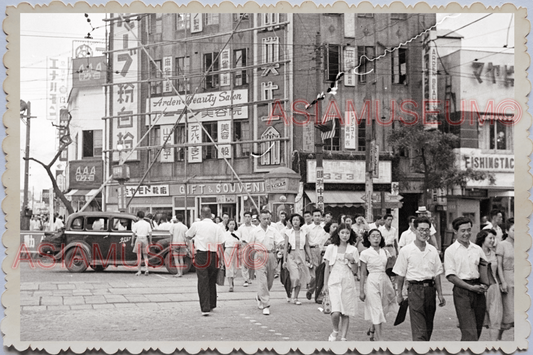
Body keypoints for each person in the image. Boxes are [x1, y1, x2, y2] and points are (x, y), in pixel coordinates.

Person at [393, 217, 446, 341]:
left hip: (430, 291)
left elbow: (437, 274)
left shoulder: (432, 251)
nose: (424, 233)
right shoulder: (406, 250)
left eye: (427, 230)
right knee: (419, 330)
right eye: (421, 230)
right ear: (414, 230)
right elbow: (400, 274)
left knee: (428, 327)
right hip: (414, 290)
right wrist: (399, 294)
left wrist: (440, 294)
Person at [444, 216, 487, 341]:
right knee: (469, 332)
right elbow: (451, 276)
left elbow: (485, 270)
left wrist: (485, 285)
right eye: (463, 231)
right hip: (462, 291)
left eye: (469, 230)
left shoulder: (477, 249)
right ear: (455, 232)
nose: (466, 233)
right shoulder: (450, 251)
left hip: (478, 291)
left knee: (477, 331)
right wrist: (470, 288)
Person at [323, 223, 359, 342]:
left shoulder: (353, 249)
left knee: (346, 311)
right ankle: (335, 330)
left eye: (347, 233)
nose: (345, 235)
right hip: (334, 280)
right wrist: (325, 284)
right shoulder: (331, 248)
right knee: (336, 311)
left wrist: (352, 260)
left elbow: (355, 270)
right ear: (338, 233)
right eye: (342, 233)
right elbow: (327, 267)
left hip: (347, 281)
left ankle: (343, 337)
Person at [185, 207, 224, 316]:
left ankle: (205, 308)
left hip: (201, 254)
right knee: (212, 280)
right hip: (213, 254)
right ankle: (212, 303)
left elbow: (187, 236)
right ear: (211, 215)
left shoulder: (196, 225)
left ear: (201, 215)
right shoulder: (217, 227)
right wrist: (221, 259)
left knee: (203, 280)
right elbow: (221, 244)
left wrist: (191, 249)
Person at [359, 229, 396, 341]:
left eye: (378, 236)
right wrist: (361, 290)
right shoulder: (365, 253)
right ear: (368, 239)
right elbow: (363, 272)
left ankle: (372, 327)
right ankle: (380, 339)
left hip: (384, 279)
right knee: (376, 308)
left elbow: (389, 268)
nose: (376, 238)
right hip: (372, 280)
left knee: (385, 307)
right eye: (373, 236)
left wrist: (393, 283)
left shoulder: (385, 252)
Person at [248, 210, 285, 315]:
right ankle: (266, 305)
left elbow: (280, 241)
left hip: (271, 255)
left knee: (269, 281)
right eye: (264, 218)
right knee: (262, 280)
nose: (266, 221)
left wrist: (281, 247)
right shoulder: (254, 231)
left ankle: (260, 296)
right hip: (259, 255)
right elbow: (250, 245)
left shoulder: (273, 230)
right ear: (259, 218)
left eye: (268, 218)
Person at [475, 229, 503, 341]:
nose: (492, 240)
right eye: (490, 238)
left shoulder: (495, 253)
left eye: (493, 238)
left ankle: (493, 346)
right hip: (479, 288)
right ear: (483, 239)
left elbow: (499, 270)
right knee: (477, 320)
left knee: (495, 318)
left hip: (493, 289)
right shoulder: (475, 252)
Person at [282, 213, 311, 305]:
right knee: (295, 276)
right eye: (293, 220)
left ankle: (296, 297)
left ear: (300, 221)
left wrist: (310, 257)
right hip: (291, 255)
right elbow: (286, 247)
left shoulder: (304, 232)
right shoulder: (288, 232)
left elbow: (307, 246)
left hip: (301, 254)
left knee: (300, 277)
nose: (295, 222)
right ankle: (290, 292)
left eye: (297, 220)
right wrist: (284, 260)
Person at [305, 209, 329, 300]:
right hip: (312, 250)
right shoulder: (308, 228)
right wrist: (308, 256)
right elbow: (306, 243)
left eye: (319, 215)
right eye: (315, 216)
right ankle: (311, 290)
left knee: (322, 273)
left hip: (322, 251)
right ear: (312, 217)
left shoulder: (324, 228)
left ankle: (318, 295)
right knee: (315, 274)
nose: (317, 218)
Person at [496, 218, 514, 334]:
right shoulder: (502, 245)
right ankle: (497, 340)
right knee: (507, 314)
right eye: (514, 230)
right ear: (507, 231)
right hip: (507, 280)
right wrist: (503, 282)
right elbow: (499, 265)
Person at [131, 211, 153, 276]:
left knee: (139, 256)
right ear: (144, 216)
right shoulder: (147, 224)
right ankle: (147, 269)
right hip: (145, 239)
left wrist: (132, 242)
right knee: (145, 255)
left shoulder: (136, 224)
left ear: (138, 216)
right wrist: (150, 241)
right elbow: (150, 233)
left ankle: (139, 271)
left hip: (138, 239)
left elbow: (133, 234)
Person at [238, 211, 257, 287]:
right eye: (246, 217)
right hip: (244, 245)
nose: (247, 218)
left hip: (253, 246)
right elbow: (238, 237)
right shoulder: (241, 228)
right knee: (244, 263)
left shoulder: (255, 228)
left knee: (252, 263)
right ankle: (245, 279)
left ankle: (250, 277)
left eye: (249, 217)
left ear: (251, 218)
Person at [222, 219, 241, 292]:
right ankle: (230, 285)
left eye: (233, 224)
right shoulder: (225, 234)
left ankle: (232, 280)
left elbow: (240, 242)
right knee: (229, 267)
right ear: (227, 225)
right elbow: (222, 243)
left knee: (235, 268)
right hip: (228, 250)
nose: (232, 226)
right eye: (230, 224)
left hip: (236, 250)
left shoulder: (238, 233)